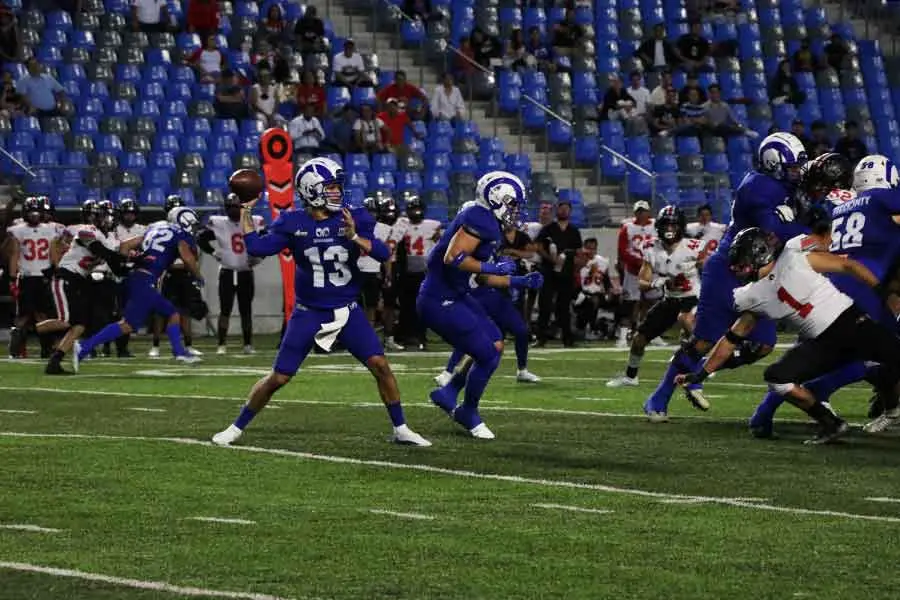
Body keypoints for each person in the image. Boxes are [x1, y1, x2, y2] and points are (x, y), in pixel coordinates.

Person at [211, 158, 431, 447]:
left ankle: (401, 427)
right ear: (312, 191)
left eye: (338, 187)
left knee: (380, 365)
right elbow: (256, 247)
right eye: (331, 187)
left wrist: (353, 236)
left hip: (346, 309)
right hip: (309, 312)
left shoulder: (354, 218)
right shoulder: (292, 222)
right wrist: (247, 213)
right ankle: (236, 428)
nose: (339, 193)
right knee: (279, 378)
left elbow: (379, 253)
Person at [676, 226, 900, 443]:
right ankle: (830, 423)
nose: (737, 269)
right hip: (824, 343)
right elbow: (732, 337)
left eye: (741, 263)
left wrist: (884, 292)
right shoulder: (759, 288)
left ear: (758, 254)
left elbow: (846, 263)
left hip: (852, 325)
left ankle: (887, 398)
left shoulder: (789, 260)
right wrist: (700, 375)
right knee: (778, 377)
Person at [643, 132, 810, 421]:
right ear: (773, 165)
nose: (797, 172)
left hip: (762, 271)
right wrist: (809, 229)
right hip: (731, 269)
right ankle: (659, 397)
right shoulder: (758, 187)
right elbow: (774, 230)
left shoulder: (784, 185)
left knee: (762, 346)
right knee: (703, 340)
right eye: (792, 166)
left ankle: (698, 373)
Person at [748, 153, 900, 436]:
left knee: (823, 354)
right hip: (860, 290)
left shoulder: (842, 208)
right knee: (865, 356)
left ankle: (762, 415)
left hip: (828, 286)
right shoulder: (882, 199)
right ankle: (876, 405)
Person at [417, 171, 543, 439]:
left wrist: (519, 281)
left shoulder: (487, 221)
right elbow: (454, 257)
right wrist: (493, 265)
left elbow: (483, 276)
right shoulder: (479, 219)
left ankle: (449, 391)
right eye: (513, 203)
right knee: (486, 355)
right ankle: (468, 411)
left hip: (457, 293)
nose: (517, 210)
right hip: (439, 299)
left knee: (496, 343)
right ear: (498, 199)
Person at [74, 207, 205, 370]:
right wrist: (199, 277)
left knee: (172, 313)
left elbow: (125, 245)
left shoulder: (155, 228)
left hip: (136, 277)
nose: (193, 228)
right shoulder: (180, 235)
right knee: (127, 325)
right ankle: (84, 347)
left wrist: (121, 267)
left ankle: (179, 352)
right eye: (191, 224)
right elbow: (187, 258)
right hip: (145, 280)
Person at [434, 207, 541, 385]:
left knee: (520, 330)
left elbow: (528, 254)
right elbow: (478, 273)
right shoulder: (477, 235)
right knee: (471, 332)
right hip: (474, 292)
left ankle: (522, 370)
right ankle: (448, 372)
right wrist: (497, 267)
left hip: (496, 293)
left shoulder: (498, 236)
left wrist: (521, 280)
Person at [608, 206, 708, 389]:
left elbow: (710, 271)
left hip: (693, 298)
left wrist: (699, 267)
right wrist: (660, 282)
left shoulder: (695, 247)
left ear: (681, 226)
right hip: (670, 300)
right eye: (666, 225)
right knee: (639, 339)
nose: (669, 229)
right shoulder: (650, 247)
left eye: (673, 225)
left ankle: (706, 367)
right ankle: (631, 377)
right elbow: (642, 282)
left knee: (688, 324)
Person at [40, 201, 127, 374]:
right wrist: (125, 259)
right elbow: (102, 251)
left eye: (110, 216)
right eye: (103, 215)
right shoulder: (86, 230)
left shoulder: (112, 238)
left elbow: (116, 267)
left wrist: (136, 263)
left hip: (79, 281)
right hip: (66, 277)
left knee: (80, 325)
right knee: (65, 321)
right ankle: (25, 330)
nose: (108, 219)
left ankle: (55, 362)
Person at [197, 190, 264, 355]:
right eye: (230, 208)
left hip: (245, 271)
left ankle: (247, 344)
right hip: (227, 271)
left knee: (246, 310)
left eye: (236, 207)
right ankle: (221, 344)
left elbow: (267, 239)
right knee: (225, 309)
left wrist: (260, 257)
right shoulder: (219, 223)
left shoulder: (252, 221)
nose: (233, 211)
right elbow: (201, 237)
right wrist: (213, 252)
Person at [149, 195, 204, 359]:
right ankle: (156, 345)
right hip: (168, 273)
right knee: (161, 311)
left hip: (185, 274)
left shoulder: (187, 232)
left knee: (185, 311)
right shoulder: (162, 229)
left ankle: (188, 345)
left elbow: (194, 255)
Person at [6, 196, 60, 358]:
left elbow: (53, 253)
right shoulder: (18, 230)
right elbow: (14, 255)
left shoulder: (50, 229)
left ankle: (46, 348)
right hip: (27, 276)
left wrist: (57, 272)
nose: (34, 216)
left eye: (37, 212)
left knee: (43, 315)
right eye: (32, 212)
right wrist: (12, 277)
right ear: (25, 213)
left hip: (44, 276)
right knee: (23, 316)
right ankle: (15, 350)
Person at [392, 193, 441, 350]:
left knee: (422, 306)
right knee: (406, 306)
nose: (416, 213)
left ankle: (420, 336)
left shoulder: (433, 225)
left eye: (418, 209)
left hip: (424, 271)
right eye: (413, 209)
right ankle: (406, 336)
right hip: (407, 270)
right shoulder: (402, 224)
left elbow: (439, 244)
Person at [358, 193, 404, 351]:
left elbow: (386, 255)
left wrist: (388, 274)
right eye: (368, 212)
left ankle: (366, 341)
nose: (370, 215)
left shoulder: (383, 229)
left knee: (370, 307)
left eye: (372, 212)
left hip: (371, 271)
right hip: (357, 271)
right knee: (353, 308)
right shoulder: (354, 226)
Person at [535, 199, 582, 347]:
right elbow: (538, 246)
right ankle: (541, 338)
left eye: (567, 209)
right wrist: (550, 258)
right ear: (557, 211)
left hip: (566, 272)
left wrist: (575, 266)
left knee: (564, 307)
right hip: (548, 271)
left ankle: (567, 338)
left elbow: (578, 252)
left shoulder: (574, 231)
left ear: (570, 211)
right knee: (545, 305)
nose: (564, 211)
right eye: (561, 209)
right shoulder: (549, 229)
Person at [615, 200, 655, 348]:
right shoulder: (628, 228)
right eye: (638, 211)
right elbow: (623, 250)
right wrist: (639, 261)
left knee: (652, 303)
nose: (641, 214)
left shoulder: (655, 226)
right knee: (630, 303)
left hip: (652, 270)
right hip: (633, 271)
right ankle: (624, 335)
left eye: (643, 211)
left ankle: (649, 333)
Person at [113, 199, 146, 358]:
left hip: (135, 273)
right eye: (126, 213)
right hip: (115, 273)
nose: (129, 217)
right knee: (111, 313)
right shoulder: (114, 229)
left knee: (128, 312)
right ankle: (105, 344)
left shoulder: (143, 230)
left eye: (132, 214)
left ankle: (122, 347)